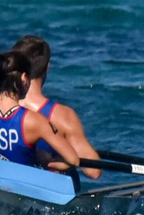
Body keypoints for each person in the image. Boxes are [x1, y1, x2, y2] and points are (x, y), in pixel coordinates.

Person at [12, 35, 102, 180]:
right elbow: (93, 171)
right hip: (48, 197)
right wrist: (64, 158)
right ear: (47, 67)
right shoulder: (61, 116)